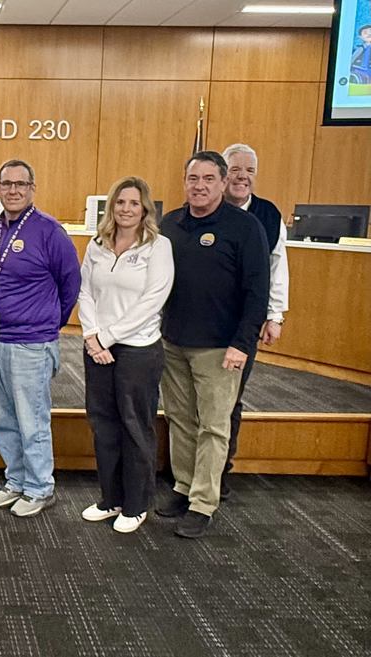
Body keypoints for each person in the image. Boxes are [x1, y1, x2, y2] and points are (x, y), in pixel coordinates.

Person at [156, 151, 269, 539]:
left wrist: (243, 343)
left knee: (214, 427)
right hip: (173, 342)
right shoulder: (170, 223)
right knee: (181, 421)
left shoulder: (245, 227)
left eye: (208, 179)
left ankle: (204, 502)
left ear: (222, 183)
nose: (199, 186)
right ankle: (184, 487)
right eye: (193, 178)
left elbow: (258, 291)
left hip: (221, 348)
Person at [0, 160, 81, 519]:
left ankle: (40, 488)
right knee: (1, 416)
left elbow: (70, 285)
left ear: (33, 188)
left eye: (21, 184)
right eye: (7, 184)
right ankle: (17, 480)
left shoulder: (50, 231)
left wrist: (48, 324)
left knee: (31, 418)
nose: (14, 190)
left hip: (30, 343)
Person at [78, 177, 173, 534]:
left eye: (134, 203)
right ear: (111, 207)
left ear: (145, 208)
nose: (126, 209)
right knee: (103, 425)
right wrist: (91, 336)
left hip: (137, 350)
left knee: (135, 425)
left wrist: (107, 337)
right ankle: (111, 498)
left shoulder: (158, 246)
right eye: (120, 203)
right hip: (96, 348)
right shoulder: (97, 244)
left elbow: (153, 301)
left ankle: (136, 504)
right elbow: (84, 291)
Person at [220, 143, 290, 496]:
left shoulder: (268, 215)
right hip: (200, 323)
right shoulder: (202, 210)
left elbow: (278, 268)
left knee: (231, 398)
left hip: (244, 326)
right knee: (192, 402)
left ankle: (220, 470)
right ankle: (185, 471)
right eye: (235, 169)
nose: (242, 176)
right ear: (223, 173)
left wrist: (275, 315)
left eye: (249, 170)